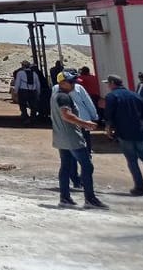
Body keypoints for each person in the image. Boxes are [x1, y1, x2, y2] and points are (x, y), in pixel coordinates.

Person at [51, 72, 104, 208]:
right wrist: (85, 123)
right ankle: (90, 198)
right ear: (62, 83)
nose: (74, 84)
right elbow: (67, 115)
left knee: (65, 166)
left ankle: (65, 197)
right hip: (72, 137)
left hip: (61, 137)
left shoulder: (55, 95)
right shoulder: (64, 97)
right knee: (87, 166)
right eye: (71, 82)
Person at [104, 75, 143, 196]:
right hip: (141, 133)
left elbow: (109, 115)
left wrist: (108, 129)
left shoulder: (111, 96)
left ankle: (139, 188)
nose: (107, 86)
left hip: (124, 134)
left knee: (132, 161)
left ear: (113, 83)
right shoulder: (136, 95)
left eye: (108, 83)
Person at [14, 61, 40, 125]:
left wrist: (15, 91)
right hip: (32, 91)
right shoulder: (34, 74)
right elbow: (38, 84)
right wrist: (38, 92)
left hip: (23, 91)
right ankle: (32, 119)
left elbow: (17, 83)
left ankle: (25, 118)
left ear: (23, 66)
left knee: (23, 105)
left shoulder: (20, 73)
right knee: (33, 106)